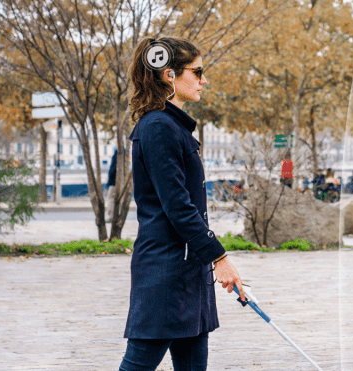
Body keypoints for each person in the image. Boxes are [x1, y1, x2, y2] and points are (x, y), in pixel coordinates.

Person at [119, 35, 245, 371]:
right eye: (197, 71)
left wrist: (210, 260)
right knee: (138, 364)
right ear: (168, 74)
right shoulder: (158, 128)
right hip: (165, 274)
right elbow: (178, 206)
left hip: (189, 272)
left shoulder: (173, 127)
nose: (204, 80)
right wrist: (219, 257)